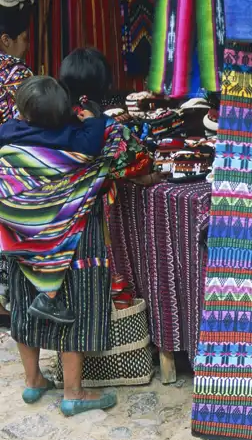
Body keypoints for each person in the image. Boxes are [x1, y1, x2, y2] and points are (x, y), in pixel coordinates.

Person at [3, 48, 149, 417]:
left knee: (23, 302)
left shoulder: (8, 136)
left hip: (24, 238)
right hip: (76, 235)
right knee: (78, 305)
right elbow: (137, 164)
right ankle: (73, 392)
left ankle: (33, 380)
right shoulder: (96, 133)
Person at [0, 76, 108, 324]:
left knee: (40, 234)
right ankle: (49, 294)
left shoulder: (9, 130)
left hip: (14, 210)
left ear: (24, 111)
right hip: (50, 209)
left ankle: (45, 293)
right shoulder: (69, 135)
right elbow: (92, 147)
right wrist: (94, 121)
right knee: (56, 231)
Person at [0, 4, 33, 316]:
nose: (26, 46)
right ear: (5, 40)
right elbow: (25, 122)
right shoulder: (16, 72)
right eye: (23, 39)